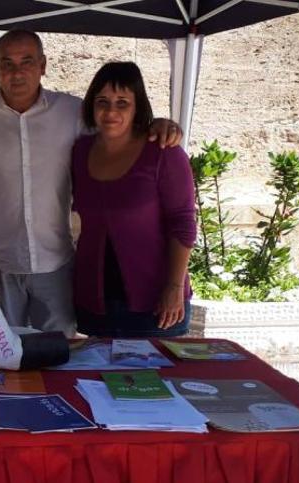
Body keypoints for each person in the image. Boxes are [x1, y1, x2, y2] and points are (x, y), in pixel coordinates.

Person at [0, 29, 182, 336]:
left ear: (43, 65)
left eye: (27, 61)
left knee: (59, 357)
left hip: (56, 263)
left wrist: (158, 125)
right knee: (1, 357)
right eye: (7, 63)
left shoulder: (73, 112)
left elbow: (118, 133)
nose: (17, 72)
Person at [71, 62, 196, 337]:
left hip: (156, 304)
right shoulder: (80, 152)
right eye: (102, 101)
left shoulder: (164, 152)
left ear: (138, 106)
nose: (111, 111)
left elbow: (183, 222)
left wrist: (174, 287)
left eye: (122, 102)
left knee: (156, 381)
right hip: (95, 302)